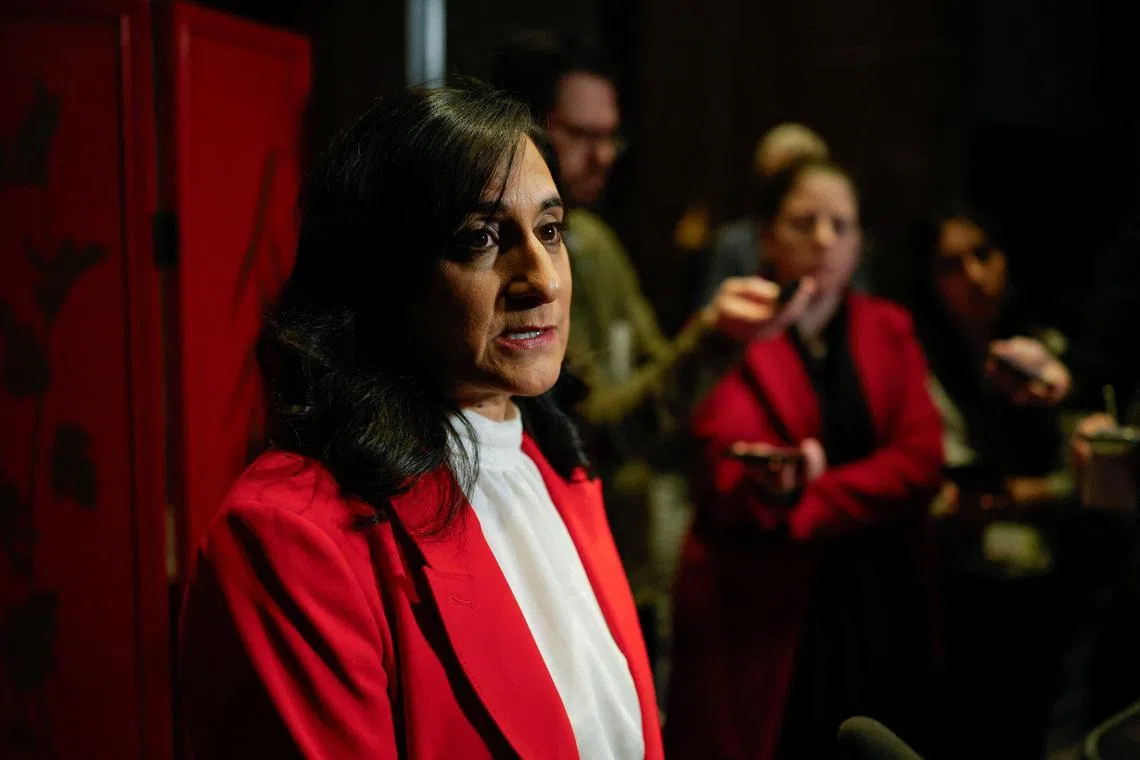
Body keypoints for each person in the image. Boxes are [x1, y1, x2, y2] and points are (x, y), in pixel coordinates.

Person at [178, 81, 664, 759]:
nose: (542, 279)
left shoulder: (554, 472)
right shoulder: (291, 538)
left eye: (550, 231)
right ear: (382, 275)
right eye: (482, 238)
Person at [491, 33, 809, 658]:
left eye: (612, 135)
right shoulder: (512, 267)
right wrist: (712, 341)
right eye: (580, 135)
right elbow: (590, 431)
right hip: (547, 559)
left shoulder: (599, 246)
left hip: (622, 556)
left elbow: (653, 383)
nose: (603, 155)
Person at [665, 157, 945, 760]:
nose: (825, 240)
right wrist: (782, 489)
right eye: (805, 222)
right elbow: (728, 469)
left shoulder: (885, 326)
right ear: (765, 236)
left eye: (841, 225)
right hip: (765, 609)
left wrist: (812, 498)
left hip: (878, 592)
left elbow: (922, 458)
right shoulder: (732, 328)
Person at [911, 202, 1076, 758]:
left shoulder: (1048, 348)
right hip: (962, 584)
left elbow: (1091, 472)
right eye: (951, 266)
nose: (974, 277)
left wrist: (1036, 493)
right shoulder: (921, 362)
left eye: (983, 255)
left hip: (1051, 579)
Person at [694, 123, 831, 307]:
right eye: (782, 178)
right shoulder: (733, 243)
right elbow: (712, 315)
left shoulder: (843, 242)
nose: (824, 239)